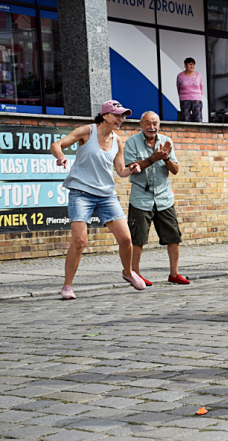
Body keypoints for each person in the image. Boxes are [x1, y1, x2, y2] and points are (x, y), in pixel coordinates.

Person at [50, 100, 144, 299]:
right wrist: (60, 156)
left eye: (123, 116)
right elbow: (57, 144)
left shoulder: (117, 141)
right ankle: (67, 286)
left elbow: (120, 171)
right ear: (104, 115)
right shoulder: (87, 132)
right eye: (117, 115)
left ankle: (128, 273)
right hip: (81, 193)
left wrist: (132, 168)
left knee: (126, 239)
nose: (121, 119)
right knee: (79, 241)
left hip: (106, 195)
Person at [124, 111, 189, 286]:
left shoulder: (166, 141)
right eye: (148, 123)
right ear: (141, 125)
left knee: (174, 237)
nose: (151, 127)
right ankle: (135, 274)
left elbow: (175, 170)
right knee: (137, 239)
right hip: (140, 198)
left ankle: (174, 274)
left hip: (164, 197)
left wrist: (166, 158)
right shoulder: (132, 142)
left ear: (159, 125)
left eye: (155, 124)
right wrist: (152, 159)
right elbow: (131, 167)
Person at [177, 58, 203, 123]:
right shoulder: (180, 76)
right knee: (185, 119)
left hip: (196, 99)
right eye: (190, 64)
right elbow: (178, 88)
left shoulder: (198, 75)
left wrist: (198, 96)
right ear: (185, 65)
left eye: (193, 65)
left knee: (198, 119)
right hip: (184, 99)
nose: (192, 66)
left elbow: (201, 87)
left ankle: (197, 132)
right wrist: (181, 98)